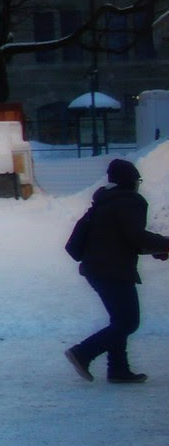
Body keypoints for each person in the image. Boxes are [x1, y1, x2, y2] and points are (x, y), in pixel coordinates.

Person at [65, 158, 169, 383]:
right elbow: (136, 236)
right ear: (131, 181)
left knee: (119, 320)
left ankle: (118, 370)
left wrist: (154, 249)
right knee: (127, 322)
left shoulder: (105, 201)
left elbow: (119, 238)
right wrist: (164, 244)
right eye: (137, 180)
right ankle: (83, 352)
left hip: (97, 269)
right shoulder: (131, 201)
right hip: (113, 271)